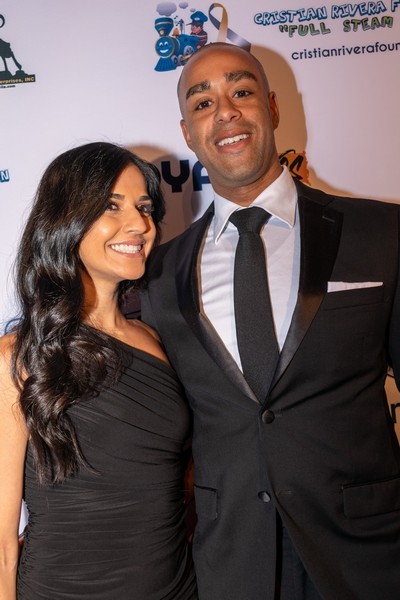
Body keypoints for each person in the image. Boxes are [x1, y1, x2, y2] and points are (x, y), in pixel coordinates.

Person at [139, 42, 400, 599]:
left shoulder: (382, 233)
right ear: (187, 134)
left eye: (241, 91)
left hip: (369, 557)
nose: (225, 112)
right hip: (231, 563)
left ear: (273, 107)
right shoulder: (158, 275)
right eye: (202, 103)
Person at [0, 142, 197, 600]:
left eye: (144, 207)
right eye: (112, 205)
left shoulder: (156, 341)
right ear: (65, 220)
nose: (140, 224)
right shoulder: (17, 357)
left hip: (177, 589)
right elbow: (3, 544)